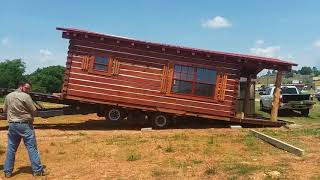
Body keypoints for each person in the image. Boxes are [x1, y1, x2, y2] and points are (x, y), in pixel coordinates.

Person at [3, 81, 47, 177]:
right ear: (21, 86)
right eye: (27, 88)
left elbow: (4, 110)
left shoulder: (8, 96)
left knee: (11, 148)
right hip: (25, 125)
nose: (28, 90)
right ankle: (38, 170)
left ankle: (7, 172)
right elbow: (34, 111)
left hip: (12, 125)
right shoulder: (26, 97)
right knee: (31, 148)